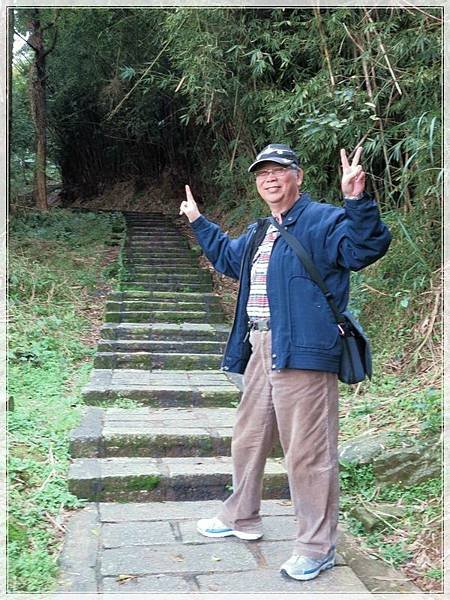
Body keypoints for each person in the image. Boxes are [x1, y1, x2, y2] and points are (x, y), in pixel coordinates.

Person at [179, 143, 391, 582]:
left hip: (306, 351)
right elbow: (227, 258)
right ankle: (242, 516)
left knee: (308, 453)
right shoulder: (260, 231)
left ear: (298, 176)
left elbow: (364, 248)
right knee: (248, 437)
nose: (270, 179)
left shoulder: (325, 220)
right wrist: (199, 222)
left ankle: (317, 546)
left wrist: (356, 200)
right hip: (261, 346)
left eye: (279, 171)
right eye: (262, 173)